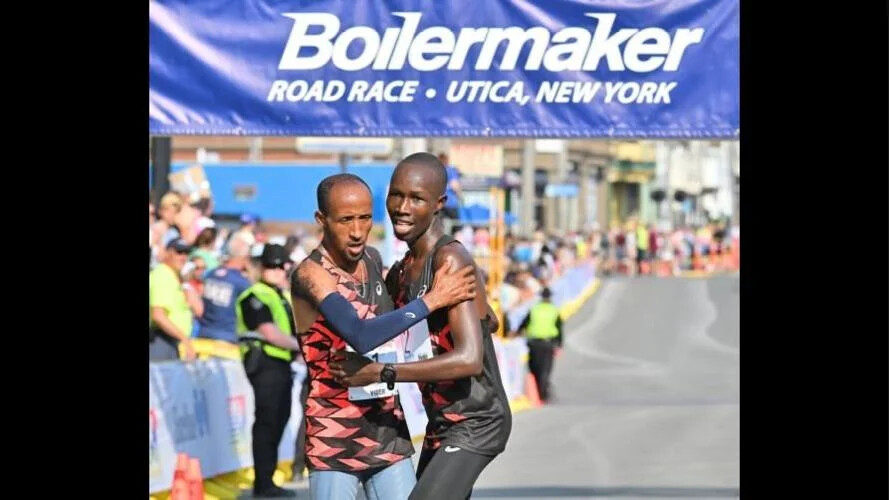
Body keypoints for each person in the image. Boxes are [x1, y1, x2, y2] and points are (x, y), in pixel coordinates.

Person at [330, 153, 512, 500]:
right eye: (396, 195)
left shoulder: (449, 259)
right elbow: (486, 319)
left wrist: (381, 373)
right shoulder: (401, 271)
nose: (402, 207)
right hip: (441, 421)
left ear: (439, 204)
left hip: (477, 420)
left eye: (416, 198)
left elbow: (470, 360)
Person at [289, 173, 478, 500]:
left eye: (364, 218)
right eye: (345, 220)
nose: (357, 231)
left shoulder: (372, 260)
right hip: (334, 439)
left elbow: (400, 320)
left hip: (388, 432)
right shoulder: (312, 274)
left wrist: (477, 315)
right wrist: (433, 299)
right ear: (322, 219)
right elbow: (360, 335)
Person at [235, 244, 302, 498]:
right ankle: (263, 484)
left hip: (281, 364)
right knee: (267, 421)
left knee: (279, 419)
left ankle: (268, 480)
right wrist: (302, 347)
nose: (275, 270)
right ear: (261, 267)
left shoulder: (280, 295)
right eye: (269, 265)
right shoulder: (254, 295)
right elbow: (270, 333)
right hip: (264, 363)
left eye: (279, 265)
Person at [197, 236, 252, 345]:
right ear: (245, 257)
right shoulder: (242, 282)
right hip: (226, 337)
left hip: (203, 333)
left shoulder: (211, 274)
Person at [149, 238, 196, 361]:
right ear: (167, 253)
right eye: (179, 252)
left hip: (170, 341)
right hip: (161, 340)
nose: (183, 257)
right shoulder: (162, 275)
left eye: (186, 253)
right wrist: (184, 339)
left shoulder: (171, 275)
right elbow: (158, 315)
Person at [517, 287, 563, 402]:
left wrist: (518, 332)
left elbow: (524, 324)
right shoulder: (554, 310)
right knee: (545, 368)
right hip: (548, 343)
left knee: (534, 367)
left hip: (533, 344)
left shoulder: (534, 309)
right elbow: (559, 328)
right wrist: (559, 344)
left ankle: (539, 390)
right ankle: (543, 393)